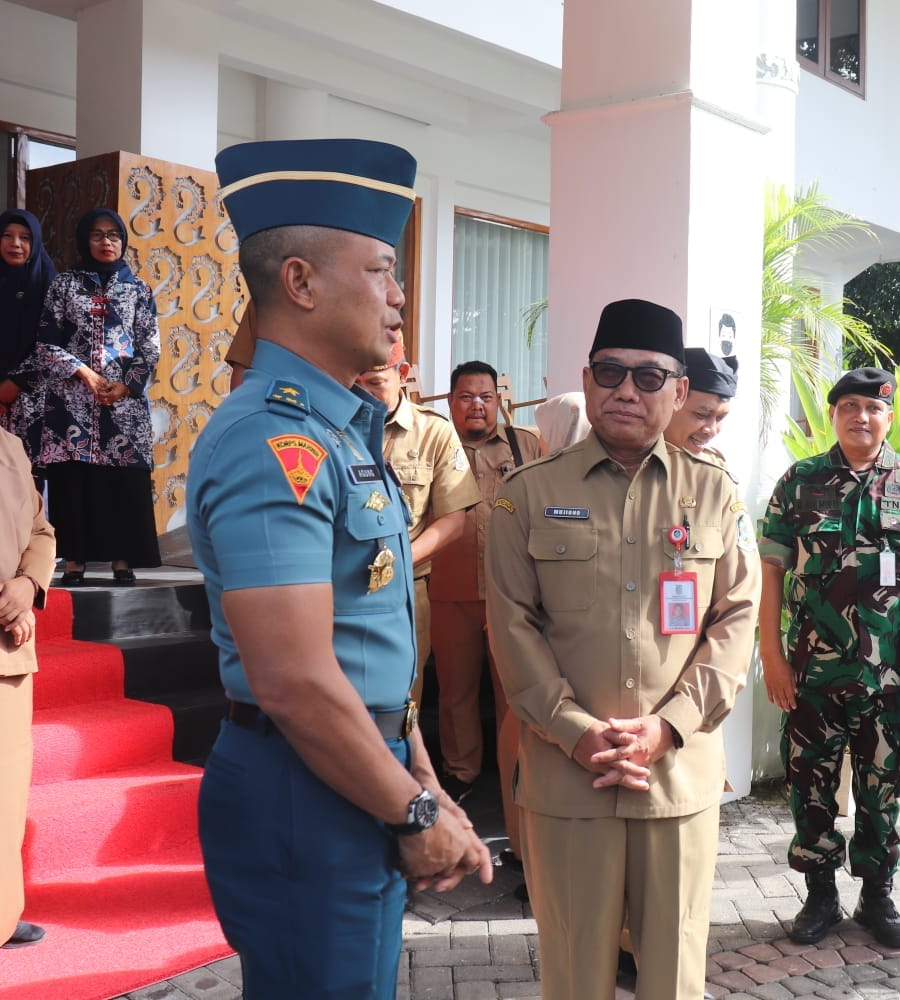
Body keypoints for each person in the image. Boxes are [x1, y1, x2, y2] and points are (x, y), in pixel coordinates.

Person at [189, 137, 491, 999]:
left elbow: (367, 643)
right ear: (301, 283)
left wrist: (421, 775)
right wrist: (413, 810)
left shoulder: (338, 429)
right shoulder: (271, 441)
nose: (401, 298)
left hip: (353, 767)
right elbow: (293, 679)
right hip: (304, 784)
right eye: (383, 270)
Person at [487, 297, 760, 999]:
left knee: (673, 973)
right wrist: (575, 732)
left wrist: (667, 728)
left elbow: (735, 620)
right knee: (576, 972)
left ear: (677, 392)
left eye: (648, 377)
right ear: (586, 378)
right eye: (610, 373)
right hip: (567, 779)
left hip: (676, 778)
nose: (626, 391)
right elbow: (510, 627)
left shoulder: (716, 494)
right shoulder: (527, 496)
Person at [758, 367, 900, 949]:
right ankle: (821, 896)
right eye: (848, 406)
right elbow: (771, 573)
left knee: (883, 786)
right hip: (812, 673)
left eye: (872, 408)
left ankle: (876, 894)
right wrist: (772, 658)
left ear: (890, 416)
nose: (860, 417)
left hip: (888, 673)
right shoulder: (800, 481)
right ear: (833, 415)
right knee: (811, 784)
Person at [428, 359, 543, 809]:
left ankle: (515, 768)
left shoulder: (526, 445)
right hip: (449, 588)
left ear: (499, 401)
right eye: (466, 397)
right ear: (451, 402)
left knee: (512, 687)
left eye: (486, 397)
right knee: (455, 689)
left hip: (510, 592)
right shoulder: (434, 445)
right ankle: (462, 772)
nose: (477, 405)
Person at [32, 208, 160, 585]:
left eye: (114, 235)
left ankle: (123, 560)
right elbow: (45, 342)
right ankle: (75, 560)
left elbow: (150, 345)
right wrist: (83, 372)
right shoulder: (65, 285)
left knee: (122, 481)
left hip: (123, 404)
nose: (106, 242)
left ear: (123, 241)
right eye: (97, 235)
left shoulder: (138, 289)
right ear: (84, 241)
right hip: (71, 400)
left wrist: (128, 384)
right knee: (75, 480)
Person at [355, 340, 480, 711]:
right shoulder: (332, 427)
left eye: (375, 383)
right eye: (355, 383)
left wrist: (395, 563)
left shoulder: (433, 432)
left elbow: (454, 520)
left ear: (402, 375)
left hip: (405, 590)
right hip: (337, 589)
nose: (363, 395)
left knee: (399, 700)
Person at [0, 424, 54, 950]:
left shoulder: (9, 445)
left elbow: (40, 530)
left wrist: (27, 584)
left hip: (7, 653)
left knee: (6, 791)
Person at [0, 209, 57, 461]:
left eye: (25, 237)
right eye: (7, 235)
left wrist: (17, 382)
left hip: (32, 399)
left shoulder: (50, 284)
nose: (15, 244)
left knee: (25, 479)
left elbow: (56, 340)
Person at [664, 347, 737, 460]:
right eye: (701, 415)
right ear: (676, 396)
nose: (712, 431)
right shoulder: (631, 458)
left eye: (720, 418)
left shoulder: (712, 472)